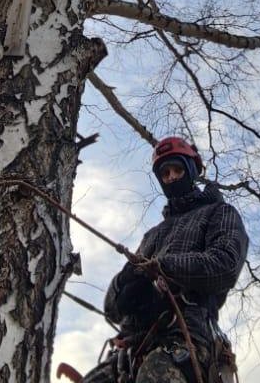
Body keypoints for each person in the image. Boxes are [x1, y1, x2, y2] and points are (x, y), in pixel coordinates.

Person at [82, 136, 248, 383]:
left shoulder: (218, 213)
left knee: (155, 374)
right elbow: (111, 311)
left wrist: (165, 267)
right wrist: (124, 283)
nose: (171, 177)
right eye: (165, 173)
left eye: (177, 169)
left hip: (185, 339)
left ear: (192, 170)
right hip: (131, 348)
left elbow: (225, 264)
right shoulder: (153, 235)